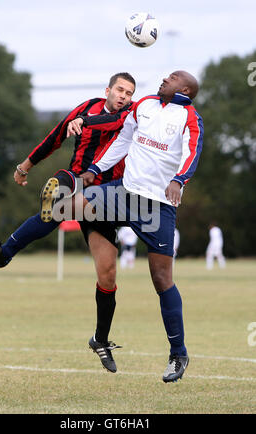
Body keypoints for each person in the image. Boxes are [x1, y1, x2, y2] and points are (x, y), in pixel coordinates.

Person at [42, 70, 204, 382]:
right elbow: (122, 140)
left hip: (157, 206)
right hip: (124, 194)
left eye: (171, 78)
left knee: (161, 278)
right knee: (64, 208)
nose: (163, 79)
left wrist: (178, 180)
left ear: (184, 88)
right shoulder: (144, 104)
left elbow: (192, 152)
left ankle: (178, 354)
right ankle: (8, 248)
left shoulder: (189, 116)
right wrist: (94, 169)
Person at [0, 72, 136, 373]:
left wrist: (85, 122)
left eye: (129, 92)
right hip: (78, 181)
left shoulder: (131, 114)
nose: (124, 96)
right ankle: (7, 248)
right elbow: (55, 137)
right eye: (120, 90)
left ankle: (100, 339)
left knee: (108, 274)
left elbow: (113, 123)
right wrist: (24, 166)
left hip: (107, 198)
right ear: (108, 90)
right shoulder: (86, 107)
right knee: (59, 193)